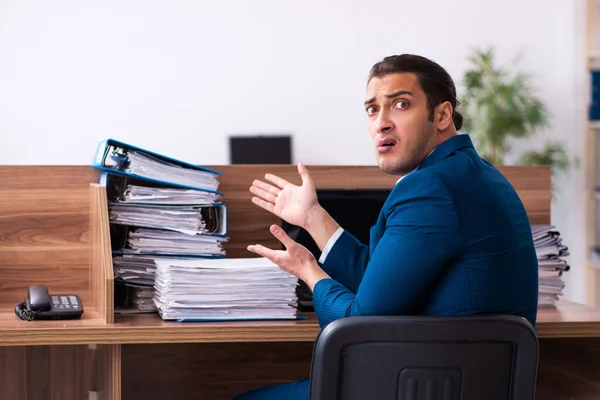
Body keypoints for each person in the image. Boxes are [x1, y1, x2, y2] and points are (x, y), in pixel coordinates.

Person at [234, 54, 539, 400]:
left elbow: (361, 325)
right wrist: (312, 217)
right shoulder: (477, 174)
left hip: (419, 385)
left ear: (442, 115)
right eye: (372, 109)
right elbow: (381, 279)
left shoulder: (430, 188)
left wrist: (310, 271)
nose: (381, 123)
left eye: (400, 104)